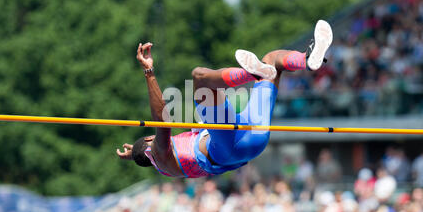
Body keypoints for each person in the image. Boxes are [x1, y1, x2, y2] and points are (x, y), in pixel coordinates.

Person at [116, 20, 333, 178]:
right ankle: (253, 74)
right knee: (199, 77)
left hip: (252, 139)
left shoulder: (166, 166)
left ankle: (307, 59)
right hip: (227, 145)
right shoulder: (158, 154)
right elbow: (160, 122)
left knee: (272, 60)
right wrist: (149, 72)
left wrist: (133, 156)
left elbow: (144, 152)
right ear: (147, 142)